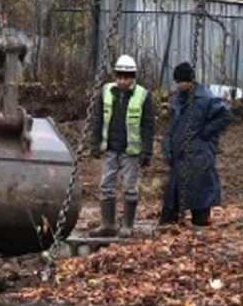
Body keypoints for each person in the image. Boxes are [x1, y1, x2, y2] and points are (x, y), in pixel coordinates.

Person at [88, 54, 156, 236]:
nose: (123, 81)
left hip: (130, 151)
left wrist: (147, 152)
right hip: (111, 148)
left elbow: (148, 126)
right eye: (120, 77)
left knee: (129, 188)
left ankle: (127, 225)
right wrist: (95, 143)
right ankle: (108, 223)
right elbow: (98, 119)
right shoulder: (106, 92)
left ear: (133, 77)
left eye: (126, 77)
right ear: (115, 76)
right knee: (106, 185)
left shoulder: (142, 96)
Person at [159, 61, 233, 227]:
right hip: (179, 153)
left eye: (181, 82)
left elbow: (225, 115)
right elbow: (172, 125)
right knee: (173, 194)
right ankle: (170, 222)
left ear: (189, 81)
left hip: (199, 153)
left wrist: (206, 132)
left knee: (200, 193)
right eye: (176, 82)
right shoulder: (178, 99)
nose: (178, 85)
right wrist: (166, 145)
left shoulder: (206, 98)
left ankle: (200, 223)